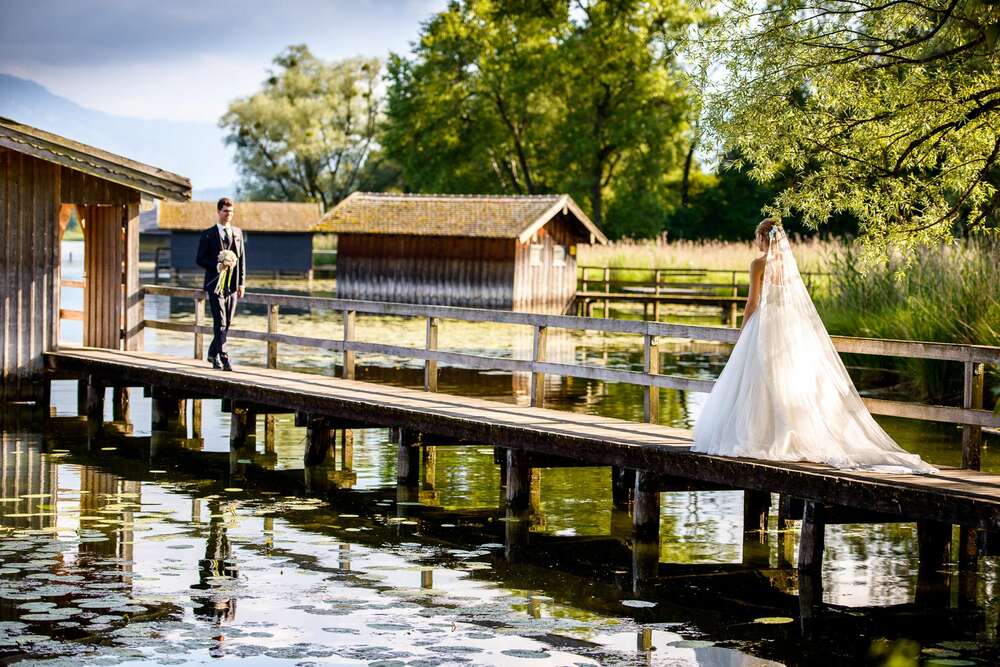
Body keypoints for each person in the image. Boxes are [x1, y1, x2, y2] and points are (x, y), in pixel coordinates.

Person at [691, 218, 936, 474]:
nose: (756, 242)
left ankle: (763, 437)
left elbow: (752, 303)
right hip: (789, 327)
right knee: (790, 380)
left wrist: (742, 333)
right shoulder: (789, 266)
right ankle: (791, 434)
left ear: (763, 238)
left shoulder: (758, 264)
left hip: (764, 325)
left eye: (757, 237)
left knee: (757, 379)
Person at [196, 197, 246, 371]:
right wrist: (216, 266)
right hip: (214, 284)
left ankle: (212, 353)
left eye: (231, 211)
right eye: (225, 211)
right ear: (218, 212)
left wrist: (241, 284)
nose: (228, 214)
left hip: (232, 285)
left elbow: (241, 261)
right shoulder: (208, 234)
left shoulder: (238, 233)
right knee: (220, 321)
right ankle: (224, 357)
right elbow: (199, 259)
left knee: (228, 321)